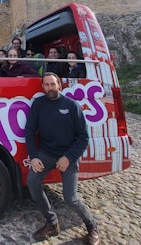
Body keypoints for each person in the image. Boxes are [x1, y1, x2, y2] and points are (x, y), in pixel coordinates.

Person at [25, 72, 100, 244]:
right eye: (47, 85)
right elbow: (29, 132)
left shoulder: (72, 105)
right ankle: (52, 223)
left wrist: (68, 157)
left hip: (68, 155)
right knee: (32, 182)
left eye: (53, 84)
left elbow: (83, 137)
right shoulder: (38, 104)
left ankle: (92, 227)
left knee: (70, 198)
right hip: (46, 153)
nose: (50, 88)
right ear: (43, 87)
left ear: (59, 84)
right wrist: (34, 156)